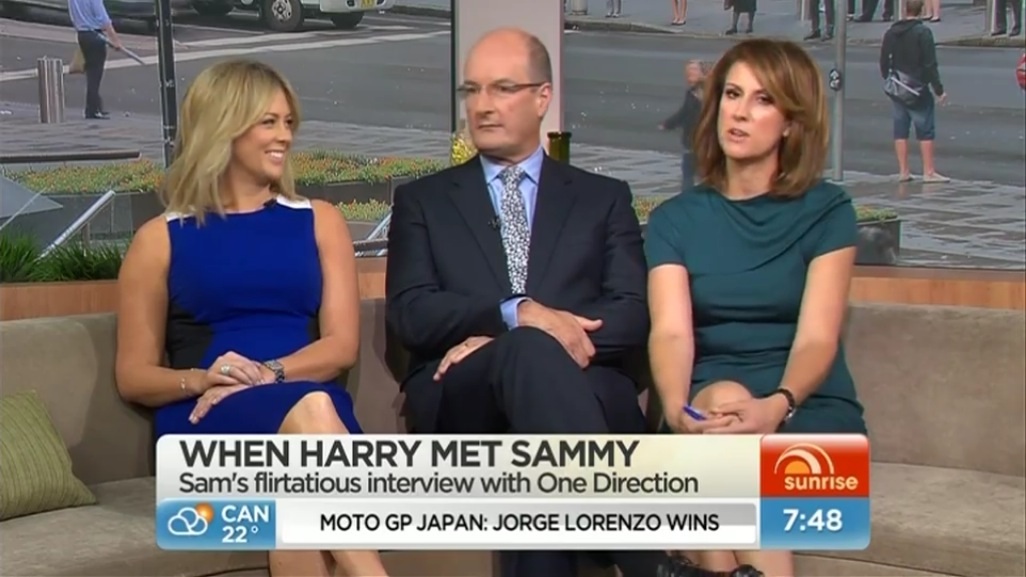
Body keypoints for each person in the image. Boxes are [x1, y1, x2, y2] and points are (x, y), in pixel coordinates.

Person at [386, 26, 756, 577]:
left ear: (542, 97)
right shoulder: (424, 200)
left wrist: (533, 343)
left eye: (502, 88)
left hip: (586, 395)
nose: (482, 105)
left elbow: (632, 312)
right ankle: (649, 564)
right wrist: (516, 317)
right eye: (472, 90)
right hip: (465, 401)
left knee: (537, 409)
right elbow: (411, 312)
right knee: (525, 347)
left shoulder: (602, 198)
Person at [114, 59, 390, 577]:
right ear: (225, 126)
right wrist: (203, 378)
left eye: (288, 122)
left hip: (310, 412)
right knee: (311, 434)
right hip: (207, 425)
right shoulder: (159, 239)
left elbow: (341, 347)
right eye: (269, 122)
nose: (285, 135)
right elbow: (134, 376)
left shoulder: (320, 221)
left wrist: (268, 373)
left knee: (303, 457)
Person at [644, 39, 868, 577]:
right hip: (705, 411)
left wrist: (777, 406)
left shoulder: (828, 211)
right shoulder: (675, 220)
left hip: (804, 413)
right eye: (732, 94)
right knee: (721, 411)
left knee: (715, 490)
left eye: (762, 99)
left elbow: (818, 337)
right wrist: (674, 408)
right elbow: (671, 333)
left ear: (791, 122)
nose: (739, 112)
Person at [880, 0, 949, 183]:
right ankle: (928, 171)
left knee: (900, 130)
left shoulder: (891, 32)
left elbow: (884, 62)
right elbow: (930, 64)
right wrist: (938, 89)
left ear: (905, 9)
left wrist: (890, 79)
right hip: (918, 88)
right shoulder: (923, 32)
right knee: (925, 130)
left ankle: (904, 171)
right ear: (921, 10)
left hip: (898, 87)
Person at [68, 0, 122, 119]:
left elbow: (73, 15)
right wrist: (115, 40)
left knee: (91, 71)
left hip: (82, 34)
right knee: (95, 74)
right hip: (95, 34)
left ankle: (97, 106)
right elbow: (103, 18)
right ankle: (92, 109)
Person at [659, 59, 706, 191]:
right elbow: (684, 113)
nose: (689, 74)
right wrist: (668, 124)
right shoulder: (692, 92)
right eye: (688, 71)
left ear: (702, 73)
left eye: (694, 71)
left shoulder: (706, 92)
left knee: (694, 175)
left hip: (702, 142)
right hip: (692, 141)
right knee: (689, 175)